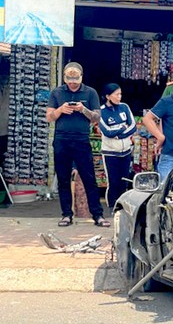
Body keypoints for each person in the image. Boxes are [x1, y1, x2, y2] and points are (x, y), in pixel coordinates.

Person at [46, 62, 110, 228]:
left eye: (75, 80)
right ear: (65, 78)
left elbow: (97, 117)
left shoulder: (90, 92)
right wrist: (60, 110)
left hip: (82, 140)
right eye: (69, 80)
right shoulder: (57, 92)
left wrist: (83, 109)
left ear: (81, 77)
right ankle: (66, 214)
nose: (72, 83)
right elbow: (49, 117)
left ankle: (98, 215)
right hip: (61, 139)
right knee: (63, 179)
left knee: (89, 178)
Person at [99, 83, 137, 210]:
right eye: (117, 94)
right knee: (113, 182)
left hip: (125, 151)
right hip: (110, 153)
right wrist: (122, 128)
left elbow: (133, 126)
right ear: (108, 96)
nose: (119, 97)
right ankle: (111, 207)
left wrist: (119, 134)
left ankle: (122, 207)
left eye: (120, 94)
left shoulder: (124, 107)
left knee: (124, 181)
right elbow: (107, 132)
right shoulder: (101, 112)